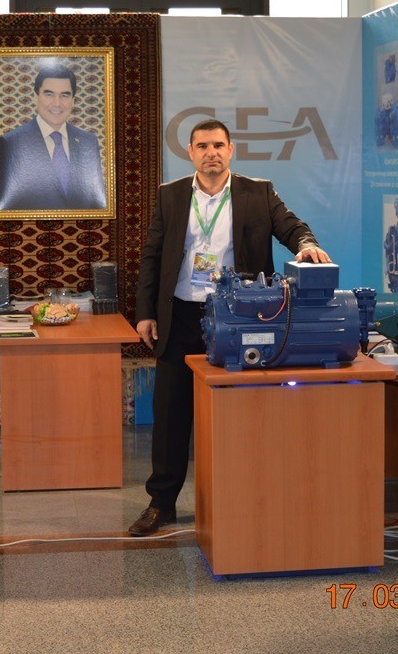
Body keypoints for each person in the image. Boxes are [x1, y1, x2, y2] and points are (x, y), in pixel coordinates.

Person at [128, 118, 332, 537]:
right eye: (202, 146)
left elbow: (292, 227)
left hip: (239, 317)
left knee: (241, 412)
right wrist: (145, 312)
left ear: (231, 150)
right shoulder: (170, 195)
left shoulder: (258, 192)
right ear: (190, 152)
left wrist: (307, 244)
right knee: (169, 417)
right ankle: (161, 504)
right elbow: (152, 256)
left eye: (218, 145)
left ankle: (244, 498)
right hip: (182, 316)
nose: (211, 153)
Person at [0, 62, 107, 212]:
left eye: (65, 95)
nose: (57, 103)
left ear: (73, 100)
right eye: (49, 94)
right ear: (36, 97)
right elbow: (6, 207)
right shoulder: (11, 143)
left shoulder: (89, 142)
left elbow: (97, 203)